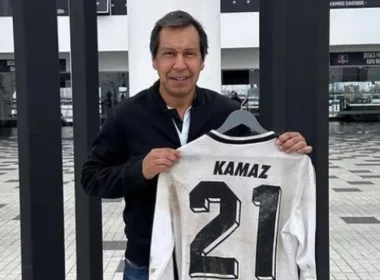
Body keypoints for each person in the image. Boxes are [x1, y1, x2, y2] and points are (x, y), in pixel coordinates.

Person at [81, 10, 313, 280]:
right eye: (169, 54)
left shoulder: (228, 114)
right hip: (147, 264)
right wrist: (139, 170)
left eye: (189, 53)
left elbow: (265, 159)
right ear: (154, 60)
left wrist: (287, 149)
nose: (180, 65)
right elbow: (91, 178)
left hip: (216, 267)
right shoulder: (126, 115)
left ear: (202, 61)